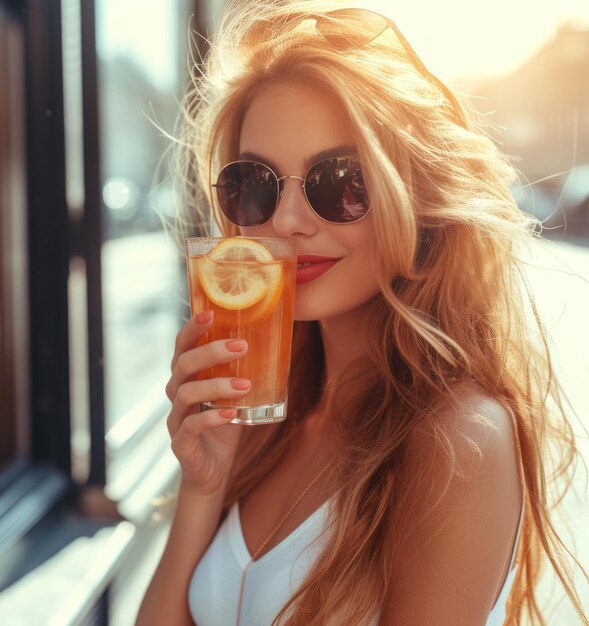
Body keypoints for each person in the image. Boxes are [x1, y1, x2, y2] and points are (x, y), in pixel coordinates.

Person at [136, 1, 588, 625]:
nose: (288, 221)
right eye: (256, 183)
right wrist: (201, 487)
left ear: (417, 196)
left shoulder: (456, 439)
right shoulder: (263, 415)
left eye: (340, 181)